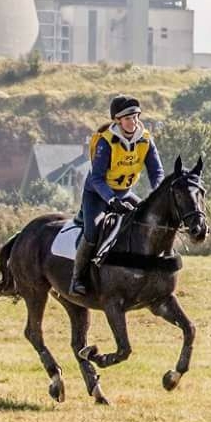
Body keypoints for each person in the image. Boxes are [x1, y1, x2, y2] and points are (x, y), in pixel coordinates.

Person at [69, 94, 165, 296]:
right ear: (118, 121)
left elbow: (156, 172)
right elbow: (96, 179)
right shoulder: (106, 142)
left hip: (125, 193)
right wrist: (112, 200)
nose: (134, 122)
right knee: (93, 232)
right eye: (129, 118)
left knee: (148, 222)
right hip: (97, 195)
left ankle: (153, 272)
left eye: (136, 117)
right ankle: (77, 278)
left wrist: (158, 193)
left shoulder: (145, 140)